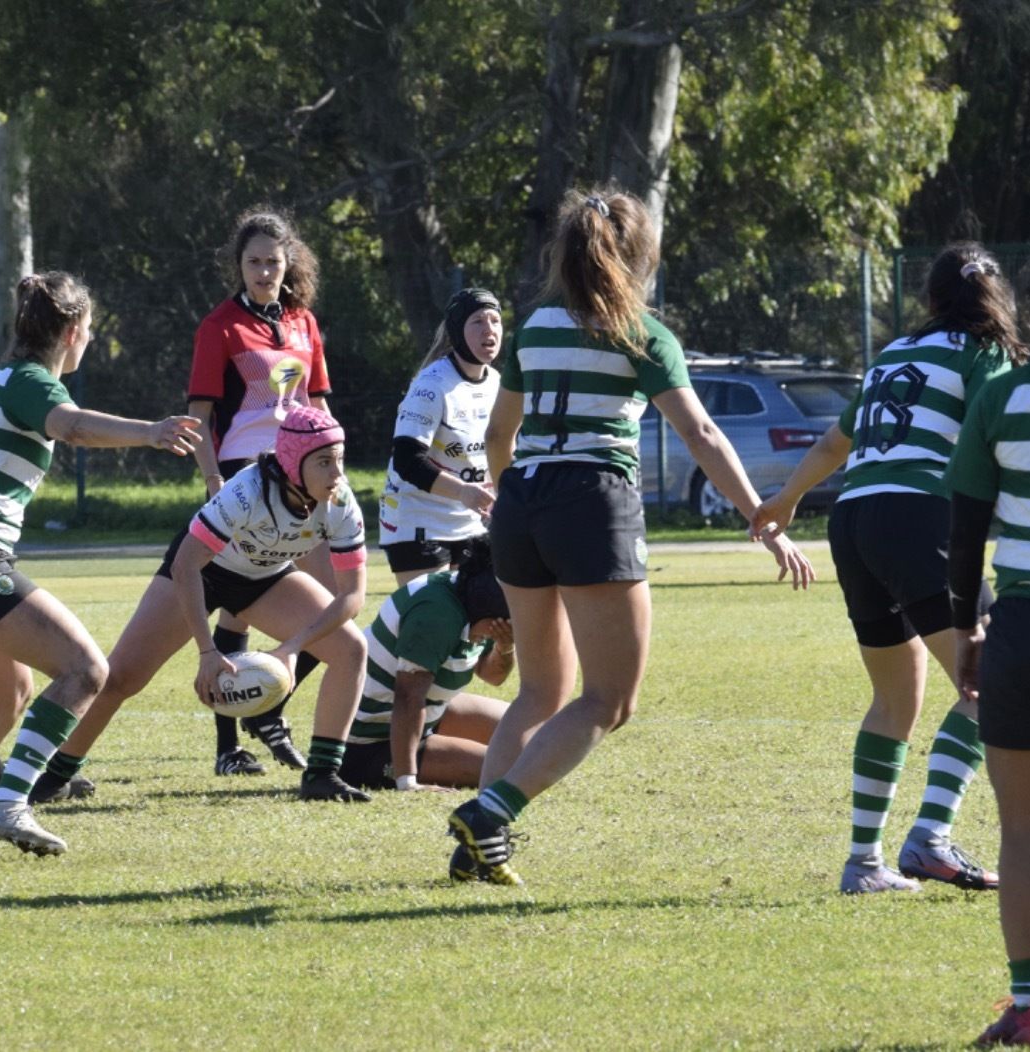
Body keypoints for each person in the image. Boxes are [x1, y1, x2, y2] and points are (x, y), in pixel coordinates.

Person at [445, 188, 814, 886]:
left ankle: (475, 848)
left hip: (522, 500)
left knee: (540, 691)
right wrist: (759, 515)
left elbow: (500, 436)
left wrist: (511, 501)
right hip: (592, 502)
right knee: (610, 700)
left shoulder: (537, 328)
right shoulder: (640, 332)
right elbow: (700, 432)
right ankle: (492, 812)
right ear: (638, 254)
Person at [0, 271, 201, 853]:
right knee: (85, 670)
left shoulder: (2, 378)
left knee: (8, 693)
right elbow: (74, 427)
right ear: (75, 331)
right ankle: (7, 804)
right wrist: (153, 432)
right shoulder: (33, 382)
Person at [754, 243, 1023, 895]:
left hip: (853, 520)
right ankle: (929, 839)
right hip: (916, 517)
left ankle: (862, 864)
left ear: (929, 299)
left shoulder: (895, 356)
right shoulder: (980, 351)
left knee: (896, 696)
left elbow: (833, 443)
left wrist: (786, 499)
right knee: (997, 683)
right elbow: (1000, 436)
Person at [28, 404, 373, 806]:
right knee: (121, 677)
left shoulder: (340, 500)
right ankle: (54, 777)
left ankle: (322, 775)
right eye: (325, 462)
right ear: (294, 464)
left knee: (351, 650)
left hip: (265, 578)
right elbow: (187, 563)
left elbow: (352, 595)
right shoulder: (248, 490)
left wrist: (292, 648)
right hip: (201, 572)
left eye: (340, 460)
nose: (337, 474)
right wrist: (208, 651)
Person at [947, 235, 1030, 1046]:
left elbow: (962, 533)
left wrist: (969, 626)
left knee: (1028, 832)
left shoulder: (1003, 395)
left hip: (1029, 632)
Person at [186, 208, 332, 775]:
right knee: (239, 606)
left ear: (288, 261)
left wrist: (334, 469)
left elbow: (317, 405)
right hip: (245, 475)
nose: (265, 271)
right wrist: (213, 480)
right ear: (239, 265)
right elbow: (198, 415)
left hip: (304, 480)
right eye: (254, 261)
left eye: (274, 260)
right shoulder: (219, 325)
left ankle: (270, 708)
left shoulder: (304, 322)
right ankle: (229, 749)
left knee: (334, 609)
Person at [341, 546, 515, 802]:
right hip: (372, 740)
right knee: (511, 769)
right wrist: (407, 780)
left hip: (428, 712)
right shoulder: (437, 612)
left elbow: (492, 676)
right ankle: (402, 765)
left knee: (533, 739)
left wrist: (505, 647)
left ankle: (437, 750)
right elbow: (408, 696)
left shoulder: (476, 592)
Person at [378, 288, 501, 585]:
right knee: (433, 622)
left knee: (480, 620)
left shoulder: (499, 383)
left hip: (470, 523)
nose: (489, 330)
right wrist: (463, 492)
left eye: (495, 321)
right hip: (417, 522)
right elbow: (408, 461)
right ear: (457, 330)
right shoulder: (432, 386)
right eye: (477, 322)